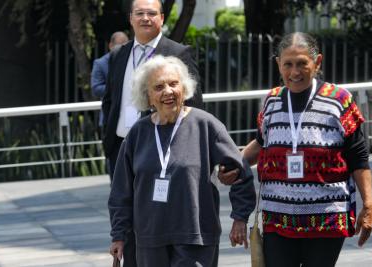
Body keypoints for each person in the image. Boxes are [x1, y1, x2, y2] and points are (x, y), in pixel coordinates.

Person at [219, 32, 372, 267]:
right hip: (277, 218)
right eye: (288, 64)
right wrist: (234, 163)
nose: (295, 72)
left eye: (302, 63)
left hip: (326, 218)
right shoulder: (272, 100)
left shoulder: (339, 100)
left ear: (318, 62)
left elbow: (358, 156)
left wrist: (369, 203)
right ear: (278, 64)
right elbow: (262, 143)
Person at [108, 55, 255, 267]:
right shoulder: (138, 133)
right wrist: (119, 234)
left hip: (195, 237)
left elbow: (240, 171)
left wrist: (240, 217)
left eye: (173, 84)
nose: (167, 91)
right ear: (148, 97)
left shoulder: (205, 125)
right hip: (150, 239)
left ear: (184, 89)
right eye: (158, 87)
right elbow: (121, 190)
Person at [102, 1, 203, 265]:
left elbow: (194, 102)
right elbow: (110, 100)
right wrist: (109, 141)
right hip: (123, 145)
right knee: (126, 210)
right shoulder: (119, 54)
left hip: (162, 146)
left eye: (151, 13)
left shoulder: (178, 52)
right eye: (139, 13)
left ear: (161, 18)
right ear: (130, 18)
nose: (145, 18)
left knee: (157, 215)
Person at [91, 31, 129, 128]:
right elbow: (96, 89)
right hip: (110, 116)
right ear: (111, 46)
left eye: (126, 46)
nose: (123, 49)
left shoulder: (133, 61)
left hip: (131, 116)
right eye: (120, 46)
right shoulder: (100, 63)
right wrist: (118, 87)